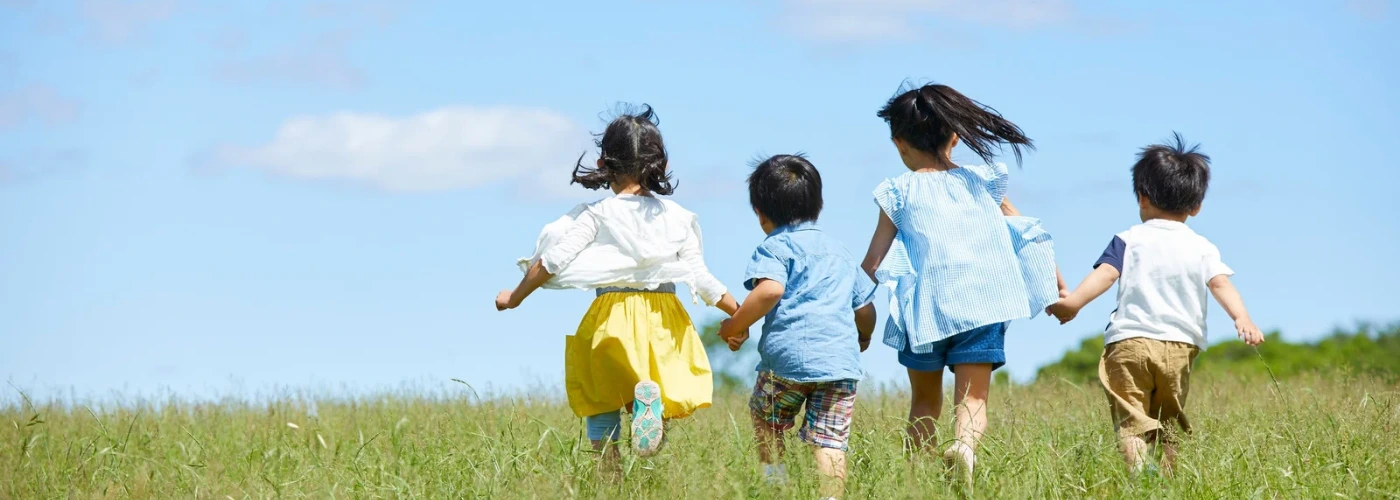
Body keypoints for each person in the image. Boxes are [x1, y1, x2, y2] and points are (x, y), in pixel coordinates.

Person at [495, 105, 739, 471]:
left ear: (603, 161)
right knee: (659, 396)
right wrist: (740, 314)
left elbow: (552, 262)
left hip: (612, 317)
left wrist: (514, 297)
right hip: (664, 319)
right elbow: (701, 278)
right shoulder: (678, 217)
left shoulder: (597, 214)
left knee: (601, 399)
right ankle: (648, 408)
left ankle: (609, 481)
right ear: (659, 163)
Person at [859, 83, 1063, 489]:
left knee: (923, 403)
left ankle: (915, 482)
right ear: (955, 136)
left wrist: (855, 313)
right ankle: (964, 449)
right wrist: (1056, 283)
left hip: (924, 312)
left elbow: (873, 262)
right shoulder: (983, 180)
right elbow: (1026, 230)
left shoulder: (898, 191)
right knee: (972, 400)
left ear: (899, 143)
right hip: (982, 305)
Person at [1047, 133, 1263, 475]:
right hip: (1179, 346)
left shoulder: (1128, 239)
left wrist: (1072, 303)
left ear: (1142, 197)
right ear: (1196, 206)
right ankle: (1168, 480)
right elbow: (1221, 283)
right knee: (1170, 420)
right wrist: (1243, 318)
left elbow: (1105, 275)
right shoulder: (1202, 247)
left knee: (1131, 419)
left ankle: (1139, 477)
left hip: (1129, 342)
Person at [718, 154, 877, 500]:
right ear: (817, 205)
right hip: (839, 364)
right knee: (830, 441)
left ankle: (775, 485)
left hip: (785, 364)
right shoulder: (840, 252)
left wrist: (735, 324)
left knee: (766, 418)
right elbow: (865, 308)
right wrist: (863, 336)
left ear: (761, 214)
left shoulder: (774, 247)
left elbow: (770, 290)